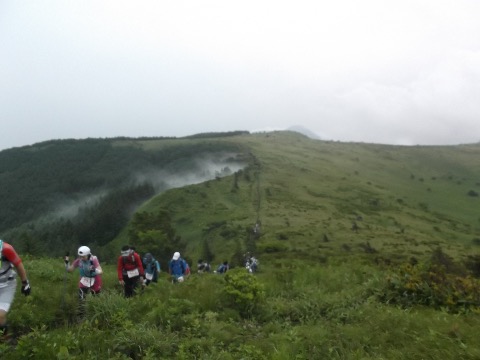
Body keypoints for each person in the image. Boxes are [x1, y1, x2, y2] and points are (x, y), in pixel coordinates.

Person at [0, 239, 30, 337]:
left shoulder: (7, 249)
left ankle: (4, 342)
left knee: (0, 316)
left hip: (7, 285)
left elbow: (18, 265)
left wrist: (25, 283)